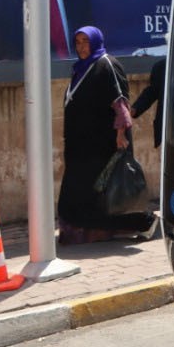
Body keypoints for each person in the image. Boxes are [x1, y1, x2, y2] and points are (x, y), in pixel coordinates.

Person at [57, 26, 156, 244]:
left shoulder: (106, 64)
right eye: (78, 42)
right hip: (80, 147)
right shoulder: (81, 68)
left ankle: (141, 222)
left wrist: (121, 135)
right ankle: (82, 232)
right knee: (79, 193)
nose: (82, 47)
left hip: (102, 145)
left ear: (95, 42)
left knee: (105, 193)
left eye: (86, 41)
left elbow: (120, 103)